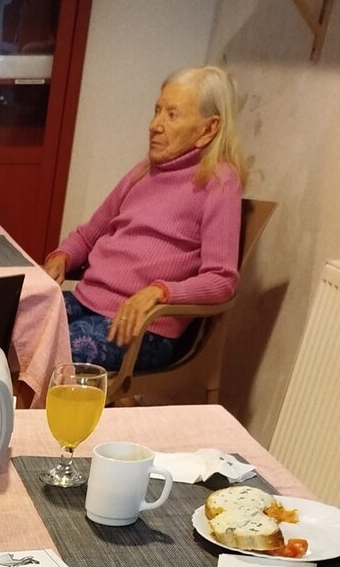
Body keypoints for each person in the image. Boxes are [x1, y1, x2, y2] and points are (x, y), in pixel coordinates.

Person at [43, 66, 246, 372]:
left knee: (51, 351)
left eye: (171, 115)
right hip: (87, 300)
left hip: (144, 326)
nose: (155, 125)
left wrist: (159, 291)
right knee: (14, 322)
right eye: (156, 111)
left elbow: (222, 280)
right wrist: (61, 257)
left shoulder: (219, 181)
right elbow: (88, 235)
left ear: (209, 129)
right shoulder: (142, 172)